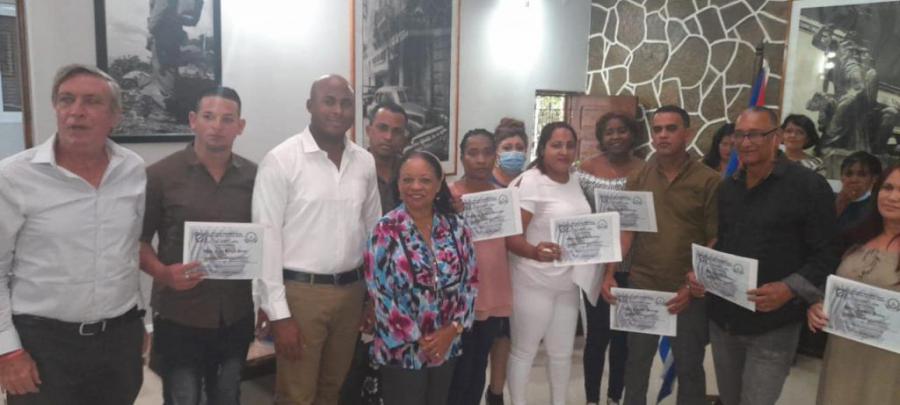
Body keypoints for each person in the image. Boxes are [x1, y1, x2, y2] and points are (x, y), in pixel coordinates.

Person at [0, 64, 146, 404]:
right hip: (43, 343)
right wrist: (7, 349)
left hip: (119, 341)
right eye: (66, 100)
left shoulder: (133, 169)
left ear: (115, 116)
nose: (76, 112)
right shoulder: (13, 177)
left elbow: (127, 251)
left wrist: (139, 322)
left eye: (91, 102)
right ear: (55, 107)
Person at [253, 74, 381, 405]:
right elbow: (266, 242)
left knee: (332, 389)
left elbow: (374, 233)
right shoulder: (281, 160)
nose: (337, 110)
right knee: (297, 394)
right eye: (329, 101)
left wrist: (373, 296)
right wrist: (279, 314)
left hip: (352, 292)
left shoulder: (364, 161)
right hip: (301, 295)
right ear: (310, 106)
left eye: (345, 103)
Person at [709, 106, 839, 405]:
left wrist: (789, 288)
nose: (746, 142)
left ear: (776, 136)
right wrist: (705, 270)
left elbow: (828, 252)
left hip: (773, 325)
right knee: (729, 399)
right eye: (740, 135)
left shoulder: (808, 187)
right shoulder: (728, 188)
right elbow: (725, 242)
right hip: (724, 320)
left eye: (755, 134)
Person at [140, 86, 256, 405]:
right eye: (208, 116)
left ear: (240, 126)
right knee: (183, 397)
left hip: (235, 312)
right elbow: (138, 242)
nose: (217, 126)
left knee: (228, 394)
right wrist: (163, 273)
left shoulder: (256, 177)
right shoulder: (160, 175)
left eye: (227, 119)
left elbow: (266, 240)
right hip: (179, 313)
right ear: (193, 120)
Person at [601, 105, 720, 405]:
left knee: (689, 366)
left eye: (671, 128)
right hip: (643, 284)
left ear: (687, 133)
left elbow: (715, 238)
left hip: (687, 290)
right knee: (636, 364)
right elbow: (627, 230)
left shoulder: (708, 181)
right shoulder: (639, 177)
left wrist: (692, 285)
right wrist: (609, 273)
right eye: (657, 129)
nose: (663, 135)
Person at [365, 150, 477, 405]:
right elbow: (379, 293)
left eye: (425, 180)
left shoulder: (457, 227)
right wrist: (421, 339)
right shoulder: (385, 230)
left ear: (439, 184)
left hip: (447, 344)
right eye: (407, 180)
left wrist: (453, 329)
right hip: (401, 349)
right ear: (398, 185)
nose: (415, 187)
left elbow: (470, 282)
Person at [506, 122, 595, 405]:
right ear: (542, 148)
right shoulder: (531, 181)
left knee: (561, 353)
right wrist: (535, 252)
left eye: (569, 145)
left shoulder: (575, 180)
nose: (563, 151)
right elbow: (511, 237)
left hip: (568, 282)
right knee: (524, 351)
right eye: (556, 145)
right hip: (533, 281)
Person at [807, 164, 900, 405]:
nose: (893, 197)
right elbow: (830, 286)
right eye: (888, 187)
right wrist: (818, 306)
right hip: (843, 354)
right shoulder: (854, 237)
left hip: (889, 365)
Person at [576, 112, 644, 405]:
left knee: (623, 338)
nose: (616, 136)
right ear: (601, 137)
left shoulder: (646, 170)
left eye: (622, 130)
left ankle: (614, 396)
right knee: (596, 336)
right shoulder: (585, 169)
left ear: (632, 133)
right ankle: (592, 399)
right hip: (595, 266)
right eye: (609, 132)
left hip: (634, 266)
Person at [447, 129, 513, 405]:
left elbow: (512, 242)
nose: (481, 159)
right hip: (459, 298)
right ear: (461, 156)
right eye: (473, 153)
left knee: (478, 366)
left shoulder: (503, 197)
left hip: (492, 293)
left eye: (487, 153)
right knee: (458, 370)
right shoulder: (448, 196)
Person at [367, 101, 409, 214]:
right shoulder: (353, 170)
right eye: (382, 128)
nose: (389, 137)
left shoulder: (409, 171)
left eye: (397, 131)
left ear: (403, 137)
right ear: (368, 131)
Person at [836, 151, 882, 232]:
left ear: (874, 179)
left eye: (861, 175)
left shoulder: (877, 208)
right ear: (841, 177)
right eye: (848, 174)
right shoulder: (829, 200)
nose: (854, 180)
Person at [491, 118, 529, 187]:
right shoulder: (483, 181)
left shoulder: (529, 181)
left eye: (519, 148)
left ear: (526, 151)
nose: (514, 153)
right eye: (507, 148)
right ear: (496, 150)